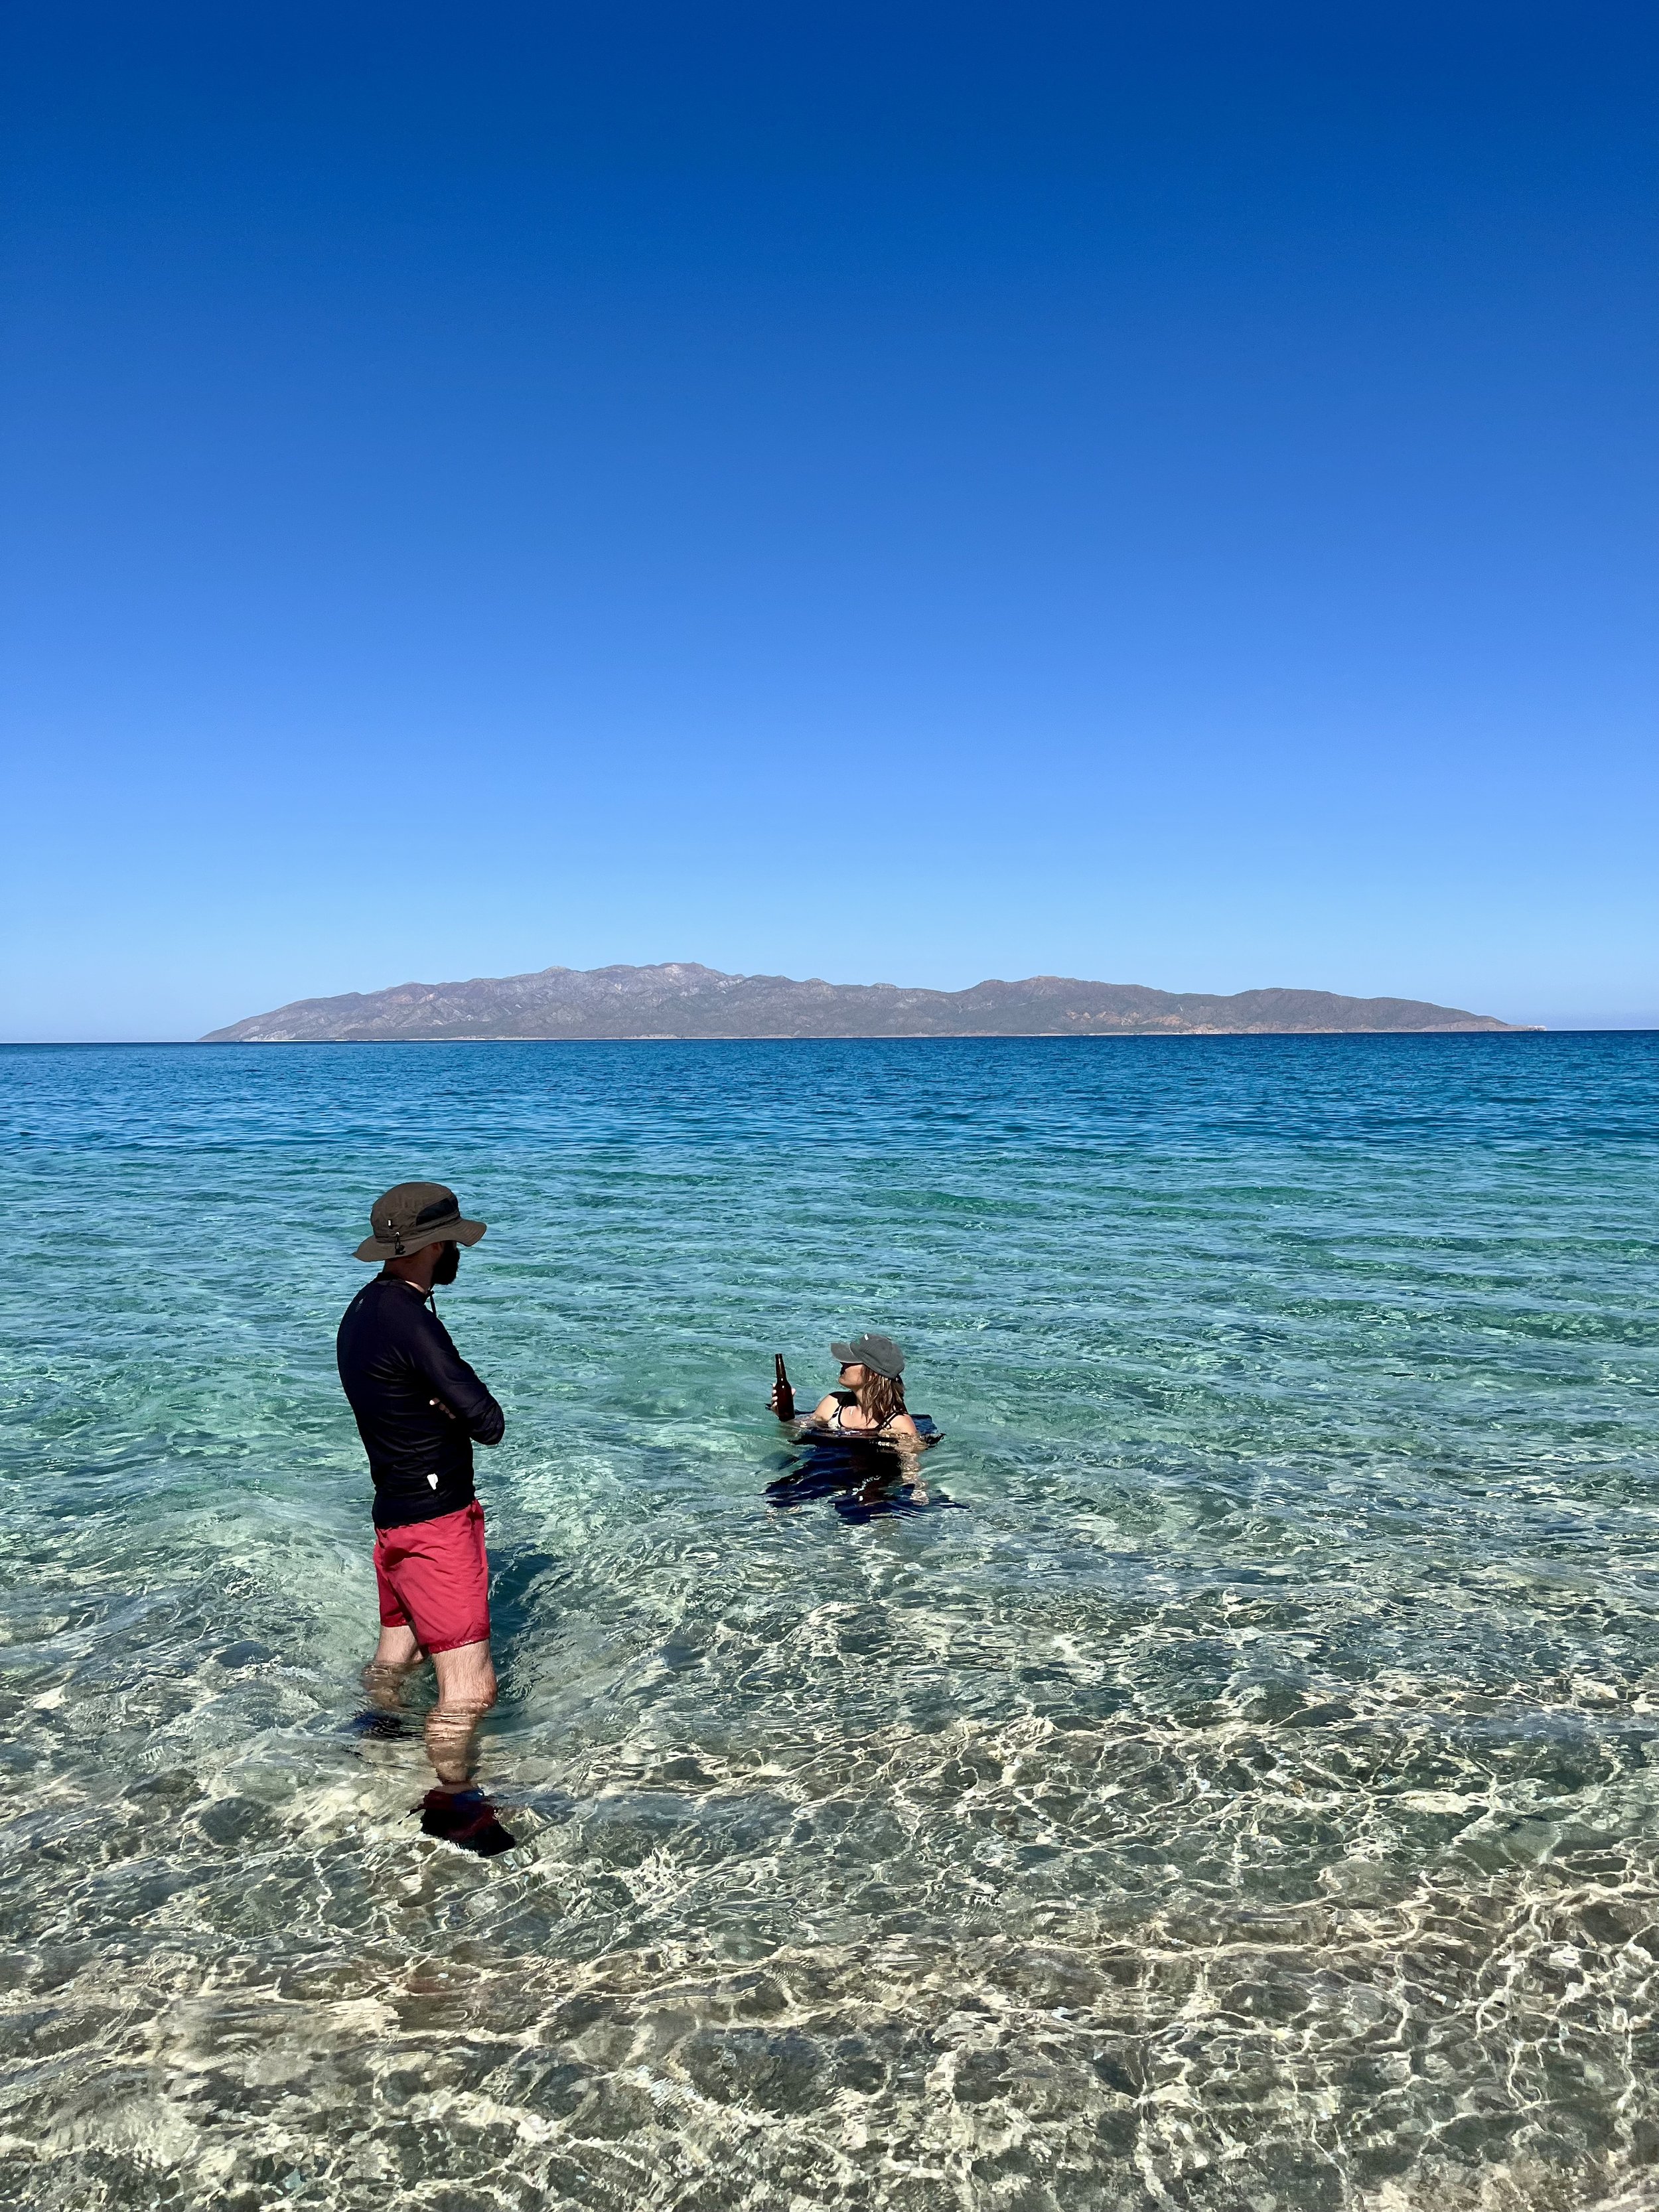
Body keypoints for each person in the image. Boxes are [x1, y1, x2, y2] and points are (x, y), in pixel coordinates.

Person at [336, 1181, 513, 1854]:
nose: (456, 1254)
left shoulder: (362, 1309)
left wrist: (434, 1408)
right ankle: (452, 1802)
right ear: (432, 1247)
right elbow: (489, 1421)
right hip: (436, 1524)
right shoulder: (414, 1320)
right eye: (452, 1243)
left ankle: (376, 1732)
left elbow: (405, 1398)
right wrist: (446, 1410)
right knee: (470, 1689)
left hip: (392, 1516)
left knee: (397, 1647)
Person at [772, 1333, 923, 1441]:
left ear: (872, 1375)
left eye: (851, 1361)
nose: (842, 1363)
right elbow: (793, 1434)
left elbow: (911, 1473)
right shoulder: (833, 1405)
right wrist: (785, 1416)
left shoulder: (898, 1425)